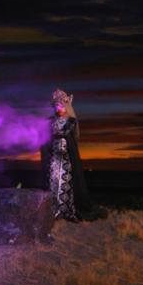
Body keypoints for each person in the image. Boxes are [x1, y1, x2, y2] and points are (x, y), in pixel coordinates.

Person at [41, 88, 105, 222]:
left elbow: (64, 133)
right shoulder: (49, 121)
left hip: (66, 157)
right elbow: (46, 137)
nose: (58, 107)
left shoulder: (70, 121)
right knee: (53, 182)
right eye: (56, 105)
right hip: (53, 157)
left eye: (60, 104)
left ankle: (66, 209)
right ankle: (54, 209)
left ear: (66, 105)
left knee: (66, 183)